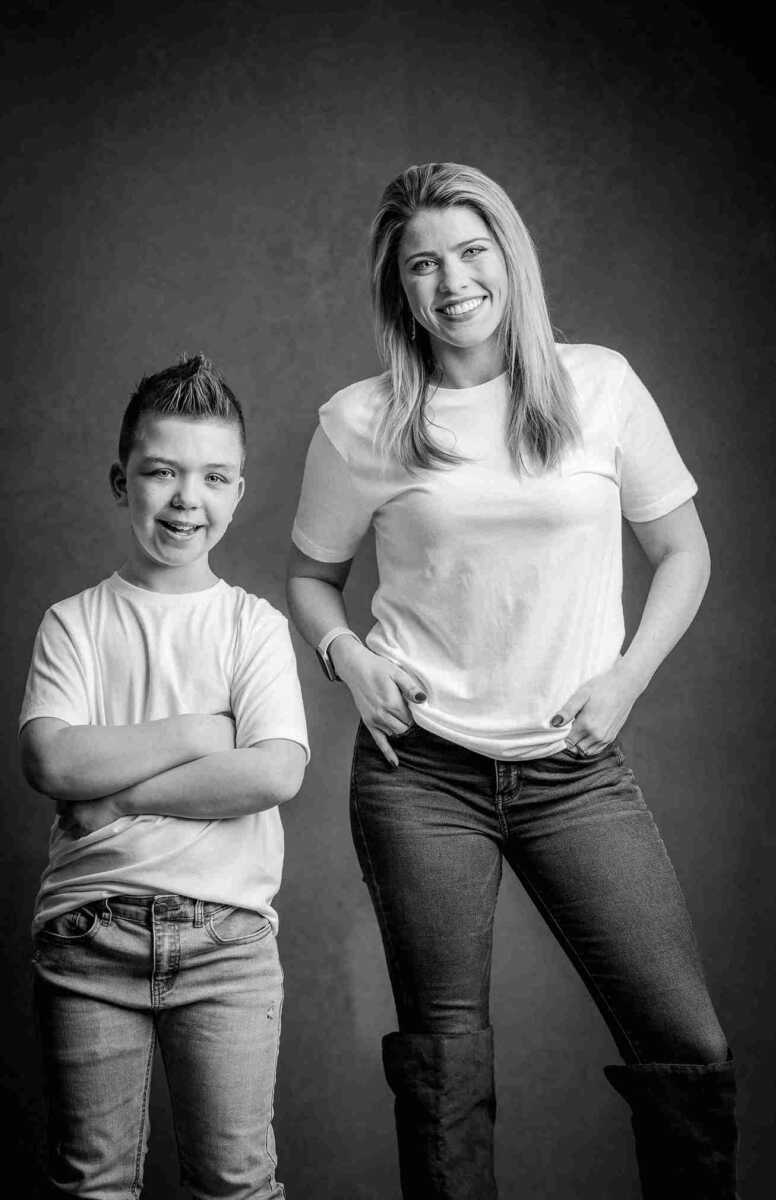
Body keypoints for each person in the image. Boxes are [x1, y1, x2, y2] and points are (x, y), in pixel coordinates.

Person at [286, 163, 737, 1199]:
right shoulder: (357, 422)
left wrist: (623, 679)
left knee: (685, 1047)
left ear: (508, 257)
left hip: (575, 773)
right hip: (419, 778)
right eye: (421, 265)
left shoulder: (600, 385)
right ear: (398, 288)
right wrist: (347, 656)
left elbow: (684, 553)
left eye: (469, 252)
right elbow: (311, 577)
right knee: (444, 1073)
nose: (450, 281)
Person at [19, 354, 308, 1199]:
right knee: (93, 1185)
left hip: (229, 945)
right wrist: (195, 731)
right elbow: (50, 760)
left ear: (239, 492)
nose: (189, 498)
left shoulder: (252, 626)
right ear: (122, 482)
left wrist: (113, 793)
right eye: (162, 472)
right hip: (87, 939)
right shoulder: (74, 623)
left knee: (237, 1182)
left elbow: (274, 772)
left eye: (214, 476)